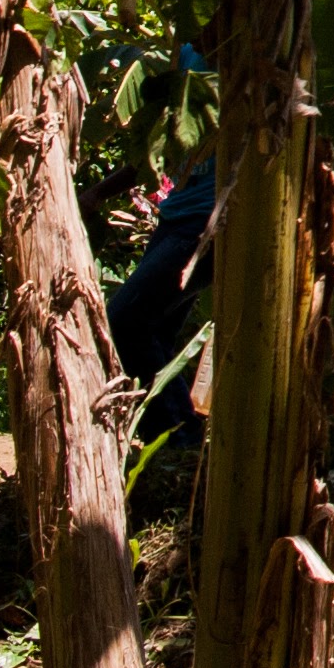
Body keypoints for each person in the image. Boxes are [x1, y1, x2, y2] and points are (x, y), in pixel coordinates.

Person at [106, 146, 218, 450]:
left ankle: (178, 438)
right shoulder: (187, 104)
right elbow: (150, 153)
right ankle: (176, 441)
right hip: (174, 219)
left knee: (125, 321)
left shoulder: (237, 103)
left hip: (205, 225)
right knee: (154, 335)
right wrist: (95, 195)